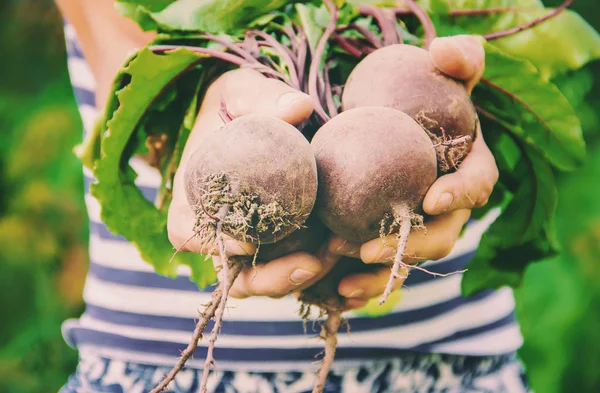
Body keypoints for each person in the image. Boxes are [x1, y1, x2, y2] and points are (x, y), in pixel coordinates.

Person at [54, 1, 530, 392]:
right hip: (145, 352)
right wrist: (199, 95)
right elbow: (110, 28)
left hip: (449, 359)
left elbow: (445, 67)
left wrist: (453, 99)